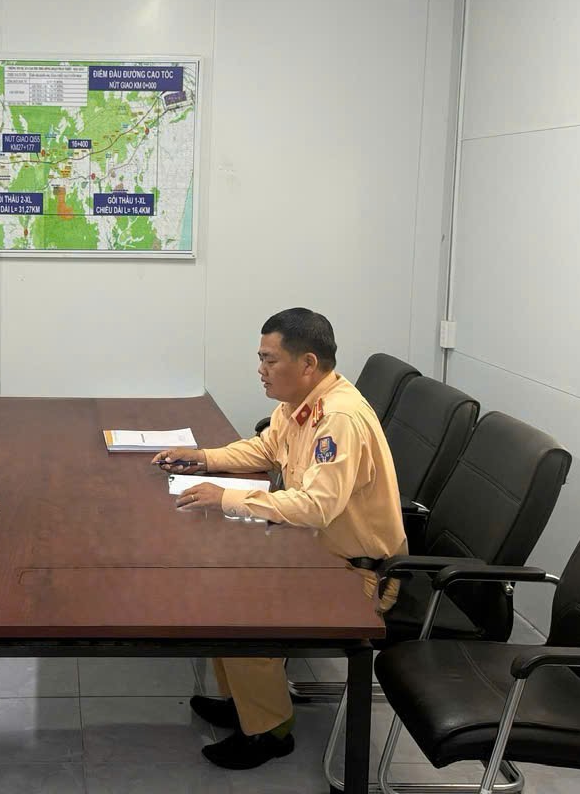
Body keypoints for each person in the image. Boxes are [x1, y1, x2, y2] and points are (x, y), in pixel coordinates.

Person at [153, 308, 405, 771]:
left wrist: (225, 497)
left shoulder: (340, 419)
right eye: (260, 358)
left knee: (239, 603)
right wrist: (201, 459)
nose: (261, 370)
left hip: (359, 575)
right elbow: (266, 449)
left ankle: (270, 730)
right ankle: (246, 702)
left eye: (270, 360)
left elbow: (316, 506)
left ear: (307, 363)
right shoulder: (299, 404)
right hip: (316, 552)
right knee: (219, 584)